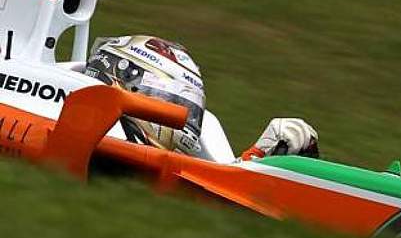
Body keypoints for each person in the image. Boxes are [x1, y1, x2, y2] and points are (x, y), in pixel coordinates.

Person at [84, 35, 318, 160]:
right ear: (125, 82)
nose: (183, 118)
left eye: (190, 108)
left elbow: (219, 174)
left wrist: (261, 157)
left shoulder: (200, 141)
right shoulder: (86, 132)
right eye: (172, 101)